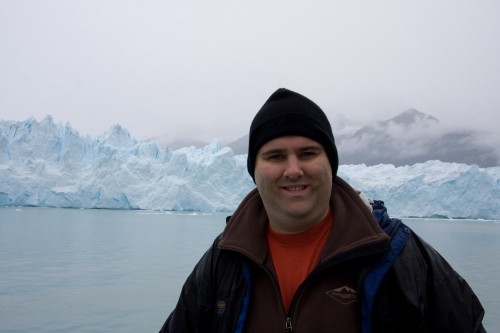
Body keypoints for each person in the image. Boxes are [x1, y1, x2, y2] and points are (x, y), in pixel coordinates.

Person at [159, 88, 485, 332]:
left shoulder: (397, 253)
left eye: (308, 153)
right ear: (253, 170)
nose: (293, 169)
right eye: (275, 156)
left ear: (331, 163)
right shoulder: (224, 259)